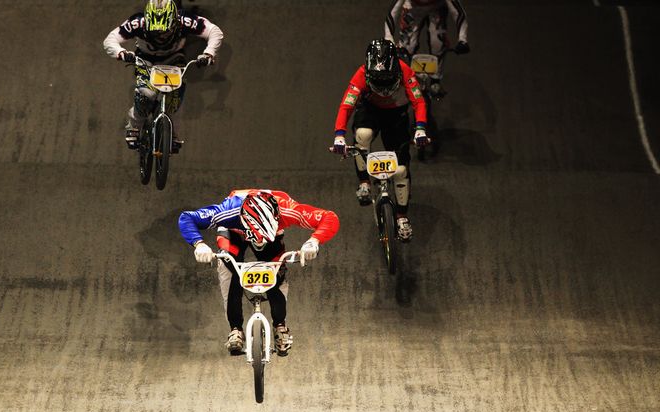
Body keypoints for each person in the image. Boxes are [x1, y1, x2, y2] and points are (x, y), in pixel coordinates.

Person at [178, 189, 339, 356]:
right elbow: (187, 217)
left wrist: (314, 241)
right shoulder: (228, 211)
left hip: (272, 235)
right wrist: (199, 244)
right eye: (257, 237)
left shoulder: (286, 210)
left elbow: (329, 217)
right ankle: (235, 329)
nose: (259, 241)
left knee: (276, 267)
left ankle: (280, 326)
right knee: (228, 265)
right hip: (233, 231)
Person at [331, 39, 428, 242]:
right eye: (378, 83)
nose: (384, 90)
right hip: (371, 111)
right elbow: (346, 106)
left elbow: (418, 101)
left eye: (388, 82)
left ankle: (402, 217)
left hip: (397, 116)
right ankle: (364, 182)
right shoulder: (360, 74)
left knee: (401, 170)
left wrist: (420, 129)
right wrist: (339, 135)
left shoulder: (405, 70)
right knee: (363, 135)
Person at [103, 0, 223, 151]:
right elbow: (110, 39)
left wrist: (209, 53)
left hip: (173, 60)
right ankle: (134, 125)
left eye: (166, 31)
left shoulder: (184, 20)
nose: (161, 36)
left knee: (175, 97)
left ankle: (172, 131)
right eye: (155, 32)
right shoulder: (137, 22)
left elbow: (214, 31)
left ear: (175, 21)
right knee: (147, 93)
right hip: (146, 61)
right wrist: (120, 52)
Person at [384, 0, 469, 96]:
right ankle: (406, 75)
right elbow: (393, 12)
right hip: (415, 8)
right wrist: (462, 39)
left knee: (437, 43)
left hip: (435, 6)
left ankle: (435, 80)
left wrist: (462, 39)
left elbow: (458, 13)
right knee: (407, 47)